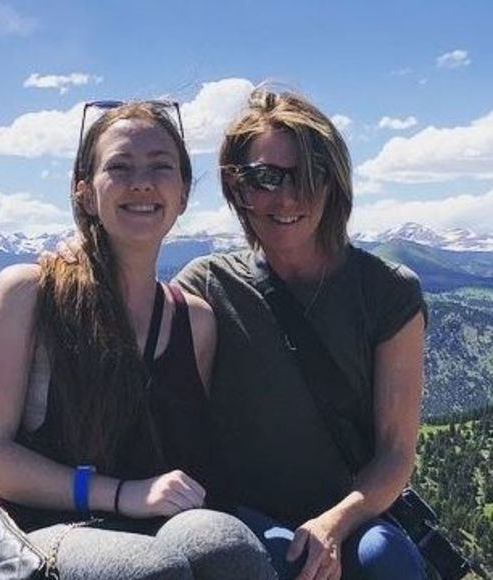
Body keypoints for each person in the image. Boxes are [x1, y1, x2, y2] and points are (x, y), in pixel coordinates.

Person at [0, 101, 276, 579]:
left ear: (183, 194)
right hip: (37, 531)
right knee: (146, 570)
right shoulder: (30, 294)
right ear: (85, 193)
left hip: (147, 526)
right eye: (119, 167)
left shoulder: (194, 321)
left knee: (227, 546)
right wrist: (123, 494)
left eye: (160, 167)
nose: (141, 183)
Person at [174, 88, 428, 580]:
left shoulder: (387, 292)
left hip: (350, 514)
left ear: (334, 184)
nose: (287, 197)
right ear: (237, 187)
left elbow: (395, 453)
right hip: (240, 516)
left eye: (309, 176)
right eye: (265, 177)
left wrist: (333, 524)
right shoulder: (206, 286)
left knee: (385, 560)